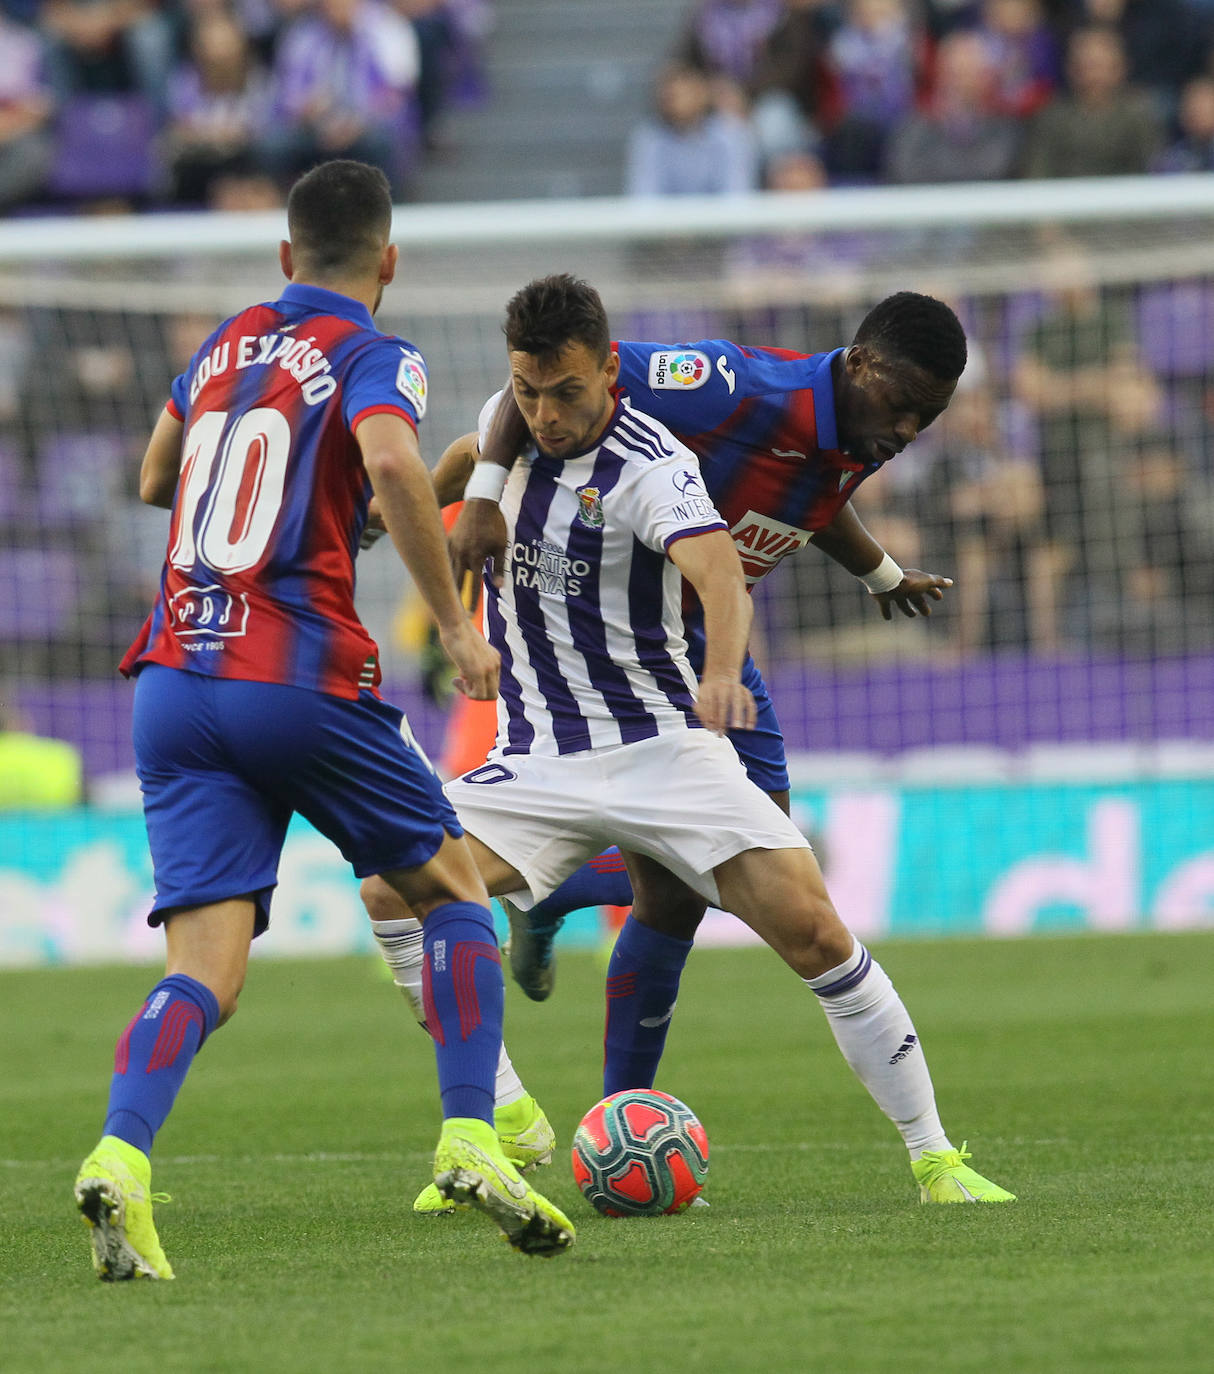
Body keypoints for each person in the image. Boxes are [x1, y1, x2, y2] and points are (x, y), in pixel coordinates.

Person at [367, 274, 1015, 1214]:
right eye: (534, 394)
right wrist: (461, 505)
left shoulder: (670, 461)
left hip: (677, 715)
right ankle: (496, 1120)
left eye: (926, 416)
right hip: (544, 749)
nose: (909, 430)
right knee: (390, 883)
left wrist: (860, 582)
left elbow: (755, 538)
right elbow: (476, 447)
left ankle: (936, 1160)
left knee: (801, 927)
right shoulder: (716, 387)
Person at [72, 160, 574, 1282]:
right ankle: (470, 1137)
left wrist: (303, 494)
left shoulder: (222, 341)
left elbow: (160, 478)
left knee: (205, 968)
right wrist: (450, 622)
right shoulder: (374, 352)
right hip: (291, 676)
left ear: (283, 256)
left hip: (170, 681)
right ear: (386, 263)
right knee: (446, 890)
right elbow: (391, 457)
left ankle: (121, 1157)